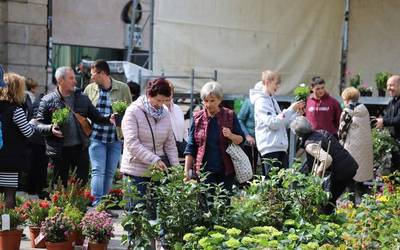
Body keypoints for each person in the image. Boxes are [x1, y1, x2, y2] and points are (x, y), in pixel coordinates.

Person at [35, 66, 114, 187]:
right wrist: (51, 128)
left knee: (81, 185)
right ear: (60, 80)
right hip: (59, 150)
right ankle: (60, 206)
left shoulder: (83, 98)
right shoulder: (47, 100)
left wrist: (109, 118)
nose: (75, 81)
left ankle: (79, 206)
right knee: (59, 186)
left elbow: (97, 117)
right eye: (71, 78)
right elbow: (38, 125)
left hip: (80, 148)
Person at [84, 60, 132, 206]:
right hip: (96, 137)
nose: (91, 77)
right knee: (98, 170)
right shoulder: (90, 89)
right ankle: (97, 203)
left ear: (103, 73)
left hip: (115, 138)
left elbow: (130, 111)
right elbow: (84, 111)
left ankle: (104, 204)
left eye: (93, 74)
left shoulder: (122, 88)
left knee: (110, 172)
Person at [120, 78, 178, 198]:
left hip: (157, 173)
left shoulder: (165, 113)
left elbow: (170, 144)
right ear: (149, 95)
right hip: (135, 171)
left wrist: (177, 170)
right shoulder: (133, 111)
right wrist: (154, 160)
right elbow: (132, 143)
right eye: (158, 100)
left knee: (156, 214)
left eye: (164, 100)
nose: (160, 104)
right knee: (135, 212)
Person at [184, 81, 245, 192]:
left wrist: (231, 135)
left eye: (212, 101)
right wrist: (186, 171)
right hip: (204, 171)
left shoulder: (229, 115)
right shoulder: (197, 118)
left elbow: (241, 140)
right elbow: (191, 146)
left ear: (220, 100)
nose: (208, 104)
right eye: (205, 101)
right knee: (207, 205)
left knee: (224, 205)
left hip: (226, 170)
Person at [290, 116, 358, 214]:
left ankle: (329, 222)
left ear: (297, 133)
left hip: (341, 171)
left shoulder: (310, 145)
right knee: (338, 198)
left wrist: (319, 172)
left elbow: (327, 159)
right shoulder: (320, 133)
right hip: (350, 164)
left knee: (327, 203)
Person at [249, 70, 304, 176]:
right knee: (272, 187)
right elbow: (273, 123)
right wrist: (290, 109)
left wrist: (296, 114)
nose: (278, 86)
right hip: (270, 147)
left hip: (278, 146)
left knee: (279, 185)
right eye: (276, 83)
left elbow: (282, 123)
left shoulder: (271, 99)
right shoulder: (261, 101)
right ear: (267, 82)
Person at [0, 72, 36, 208]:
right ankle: (6, 227)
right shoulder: (16, 110)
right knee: (9, 196)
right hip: (10, 160)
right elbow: (28, 132)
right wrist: (33, 123)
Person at [338, 87, 373, 203]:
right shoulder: (364, 109)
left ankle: (351, 204)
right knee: (361, 179)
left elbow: (341, 131)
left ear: (347, 99)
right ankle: (365, 204)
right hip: (364, 149)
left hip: (352, 148)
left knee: (350, 177)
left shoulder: (348, 111)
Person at [375, 75, 400, 172]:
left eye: (391, 85)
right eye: (387, 85)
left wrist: (384, 121)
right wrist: (379, 121)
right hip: (394, 145)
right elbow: (387, 117)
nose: (388, 88)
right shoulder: (392, 102)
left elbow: (398, 119)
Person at [237, 82, 263, 172]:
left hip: (263, 141)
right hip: (250, 142)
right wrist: (247, 135)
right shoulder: (249, 103)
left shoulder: (269, 102)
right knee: (250, 168)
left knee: (266, 167)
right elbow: (240, 119)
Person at [164, 80, 187, 159]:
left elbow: (184, 131)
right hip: (164, 153)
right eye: (165, 91)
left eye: (170, 92)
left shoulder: (177, 109)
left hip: (179, 151)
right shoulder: (157, 110)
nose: (168, 94)